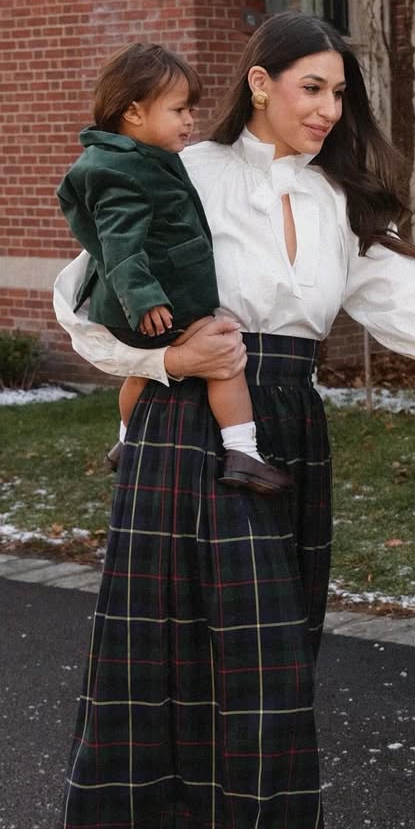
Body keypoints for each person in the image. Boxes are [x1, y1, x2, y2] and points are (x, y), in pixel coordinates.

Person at [13, 11, 415, 829]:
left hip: (287, 430)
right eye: (312, 87)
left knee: (270, 690)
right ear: (262, 82)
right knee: (173, 678)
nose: (329, 109)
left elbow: (404, 297)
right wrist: (166, 359)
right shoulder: (186, 170)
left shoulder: (335, 198)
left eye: (339, 93)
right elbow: (81, 296)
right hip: (189, 428)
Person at [57, 43, 289, 494]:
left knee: (142, 374)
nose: (189, 121)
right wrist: (144, 299)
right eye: (179, 110)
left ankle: (126, 440)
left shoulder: (137, 158)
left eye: (191, 110)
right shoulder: (122, 171)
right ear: (133, 112)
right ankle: (242, 451)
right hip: (156, 303)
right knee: (223, 355)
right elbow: (119, 244)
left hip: (144, 303)